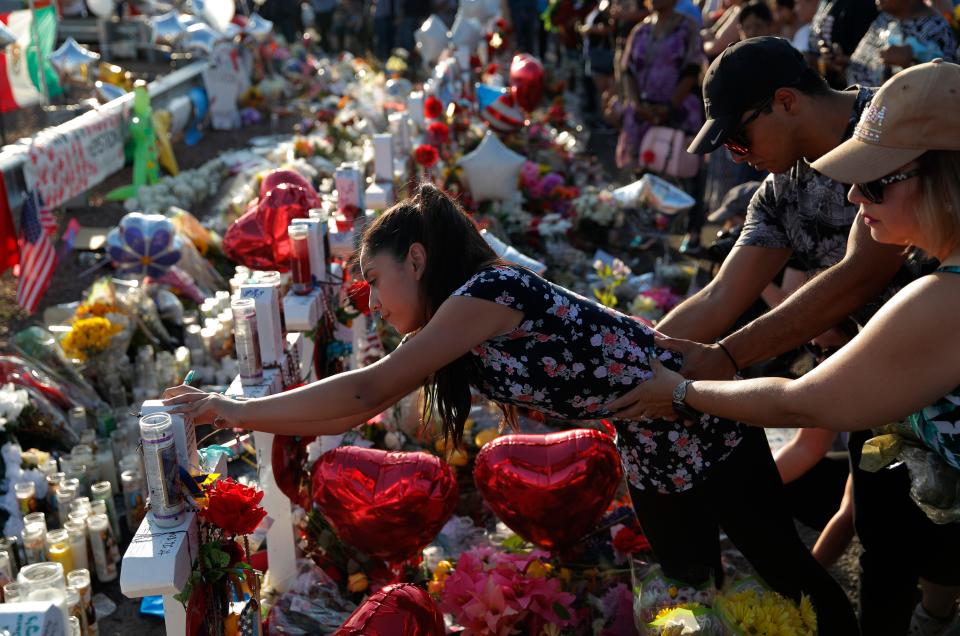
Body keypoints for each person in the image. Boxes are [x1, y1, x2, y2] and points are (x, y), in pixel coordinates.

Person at [161, 183, 858, 634]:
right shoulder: (464, 318)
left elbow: (363, 393)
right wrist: (237, 413)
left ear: (417, 257)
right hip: (649, 447)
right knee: (694, 600)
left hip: (698, 423)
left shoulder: (487, 294)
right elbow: (352, 408)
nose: (373, 300)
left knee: (788, 575)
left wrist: (233, 408)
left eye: (375, 280)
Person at [608, 36, 946, 635]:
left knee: (929, 539)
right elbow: (719, 297)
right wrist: (629, 362)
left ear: (785, 102)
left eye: (740, 138)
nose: (737, 158)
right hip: (883, 379)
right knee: (886, 539)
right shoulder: (782, 189)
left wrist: (716, 364)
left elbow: (858, 275)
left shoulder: (896, 131)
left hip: (918, 359)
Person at [614, 0, 704, 172]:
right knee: (641, 174)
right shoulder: (641, 30)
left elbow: (692, 70)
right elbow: (628, 71)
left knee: (672, 173)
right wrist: (637, 105)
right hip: (642, 115)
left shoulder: (687, 28)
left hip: (677, 114)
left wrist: (669, 107)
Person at [846, 0, 957, 87]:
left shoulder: (936, 28)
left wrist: (909, 64)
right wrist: (843, 63)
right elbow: (865, 67)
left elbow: (946, 86)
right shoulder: (884, 18)